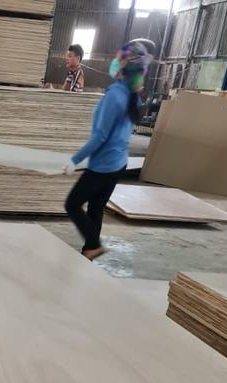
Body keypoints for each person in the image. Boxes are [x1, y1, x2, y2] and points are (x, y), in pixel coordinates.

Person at [64, 40, 152, 261]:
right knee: (96, 207)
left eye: (118, 59)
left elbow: (100, 136)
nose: (114, 61)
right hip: (118, 163)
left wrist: (75, 159)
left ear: (123, 65)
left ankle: (94, 245)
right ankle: (89, 251)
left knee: (72, 204)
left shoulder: (114, 95)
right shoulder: (133, 96)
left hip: (103, 165)